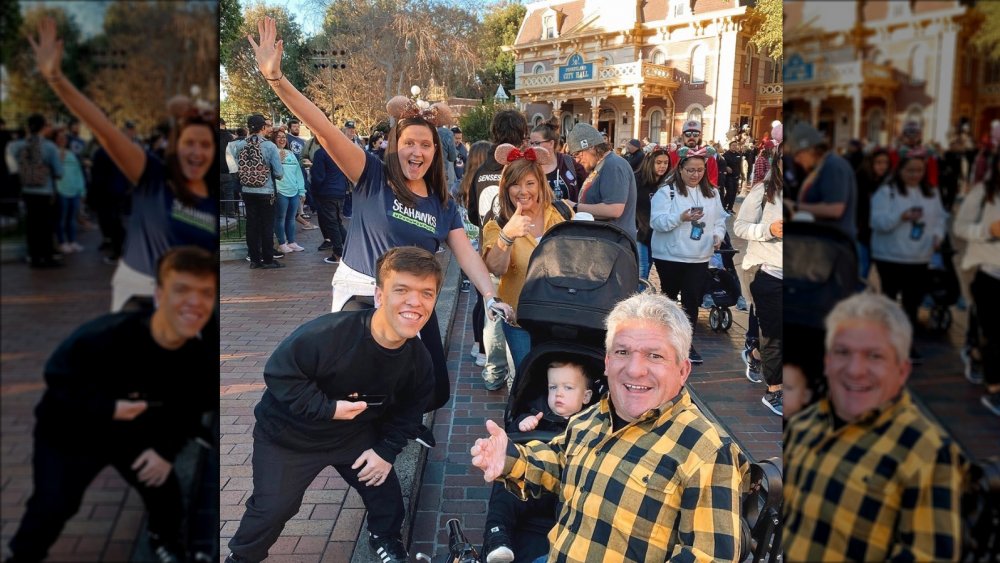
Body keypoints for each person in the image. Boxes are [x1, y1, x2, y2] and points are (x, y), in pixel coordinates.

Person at [248, 17, 513, 421]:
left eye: (425, 145)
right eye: (409, 142)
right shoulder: (371, 175)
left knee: (434, 388)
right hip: (364, 299)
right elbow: (322, 127)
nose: (417, 152)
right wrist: (277, 80)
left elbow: (466, 253)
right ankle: (362, 444)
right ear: (395, 145)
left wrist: (490, 295)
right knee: (363, 387)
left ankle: (399, 431)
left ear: (435, 152)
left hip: (410, 301)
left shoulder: (441, 202)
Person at [470, 292, 747, 562]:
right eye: (622, 352)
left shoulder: (706, 451)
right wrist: (510, 457)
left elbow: (708, 556)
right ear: (607, 362)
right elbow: (560, 463)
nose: (635, 369)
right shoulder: (592, 418)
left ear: (683, 370)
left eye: (654, 356)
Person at [225, 247, 442, 563]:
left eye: (426, 293)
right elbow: (279, 374)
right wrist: (328, 409)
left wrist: (385, 451)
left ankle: (385, 537)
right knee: (273, 507)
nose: (414, 301)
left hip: (351, 436)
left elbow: (410, 411)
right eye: (402, 290)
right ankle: (243, 557)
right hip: (289, 437)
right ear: (379, 296)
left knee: (386, 494)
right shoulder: (328, 334)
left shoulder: (418, 361)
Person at [7, 246, 218, 563]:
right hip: (72, 431)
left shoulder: (196, 357)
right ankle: (23, 557)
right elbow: (59, 382)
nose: (194, 302)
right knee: (53, 504)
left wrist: (164, 450)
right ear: (159, 295)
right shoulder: (104, 336)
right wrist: (109, 408)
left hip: (135, 433)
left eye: (206, 292)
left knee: (166, 492)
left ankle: (164, 540)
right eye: (182, 290)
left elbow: (190, 407)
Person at [29, 19, 218, 308]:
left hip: (193, 310)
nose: (196, 152)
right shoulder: (154, 176)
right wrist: (56, 78)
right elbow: (104, 129)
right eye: (188, 143)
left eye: (205, 145)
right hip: (142, 304)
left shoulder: (212, 195)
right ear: (175, 146)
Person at [784, 293, 966, 561]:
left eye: (874, 356)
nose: (856, 370)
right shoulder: (804, 425)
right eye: (843, 352)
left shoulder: (926, 450)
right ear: (827, 362)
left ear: (902, 370)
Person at [481, 360, 595, 563]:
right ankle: (497, 534)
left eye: (568, 388)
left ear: (586, 396)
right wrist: (522, 425)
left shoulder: (592, 425)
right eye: (553, 387)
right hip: (529, 490)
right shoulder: (537, 415)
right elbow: (515, 442)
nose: (559, 393)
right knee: (506, 487)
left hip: (562, 495)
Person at [481, 144, 572, 373]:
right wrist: (507, 236)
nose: (523, 191)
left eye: (530, 183)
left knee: (560, 381)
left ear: (540, 185)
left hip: (562, 319)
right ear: (505, 188)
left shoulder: (562, 213)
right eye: (515, 184)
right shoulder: (498, 225)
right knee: (525, 381)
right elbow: (496, 269)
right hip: (521, 322)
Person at [649, 146, 727, 364]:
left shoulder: (712, 193)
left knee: (692, 300)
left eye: (700, 170)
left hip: (699, 256)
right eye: (691, 170)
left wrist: (718, 235)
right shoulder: (668, 192)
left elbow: (720, 219)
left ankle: (685, 343)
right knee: (670, 299)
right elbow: (657, 222)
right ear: (680, 169)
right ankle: (665, 342)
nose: (696, 175)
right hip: (670, 256)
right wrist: (680, 217)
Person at [870, 153, 946, 344]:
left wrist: (938, 235)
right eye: (910, 170)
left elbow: (940, 218)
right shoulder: (888, 191)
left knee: (912, 302)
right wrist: (900, 216)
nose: (915, 175)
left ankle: (906, 343)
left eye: (919, 170)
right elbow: (877, 222)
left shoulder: (931, 192)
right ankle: (886, 341)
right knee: (889, 300)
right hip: (890, 255)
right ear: (900, 170)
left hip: (919, 256)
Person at [733, 149, 783, 416]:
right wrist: (769, 230)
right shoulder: (764, 192)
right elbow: (740, 227)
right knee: (774, 335)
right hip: (769, 272)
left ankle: (755, 355)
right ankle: (774, 390)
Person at [952, 154, 1000, 415]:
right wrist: (987, 231)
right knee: (994, 335)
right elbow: (960, 227)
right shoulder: (983, 192)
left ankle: (976, 354)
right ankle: (994, 389)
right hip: (988, 271)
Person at [5, 113, 63, 268]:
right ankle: (48, 257)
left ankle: (35, 257)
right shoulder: (50, 147)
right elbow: (59, 172)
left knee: (32, 225)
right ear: (43, 127)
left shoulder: (15, 146)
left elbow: (12, 168)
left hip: (27, 191)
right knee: (46, 225)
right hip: (45, 191)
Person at [229, 115, 284, 270]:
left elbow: (234, 169)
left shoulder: (239, 145)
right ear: (262, 128)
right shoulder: (269, 146)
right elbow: (279, 173)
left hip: (247, 190)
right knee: (267, 225)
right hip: (266, 191)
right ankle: (268, 259)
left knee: (251, 225)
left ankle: (254, 259)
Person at [565, 123, 637, 240]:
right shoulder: (602, 166)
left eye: (577, 154)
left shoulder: (613, 165)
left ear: (591, 147)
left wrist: (574, 207)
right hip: (605, 242)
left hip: (614, 244)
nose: (577, 160)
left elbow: (614, 209)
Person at [787, 121, 858, 238]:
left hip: (835, 244)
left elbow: (835, 209)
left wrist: (795, 207)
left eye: (798, 154)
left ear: (811, 150)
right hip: (826, 243)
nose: (796, 160)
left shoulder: (833, 166)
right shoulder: (821, 167)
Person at [634, 146, 671, 281]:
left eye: (665, 163)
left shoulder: (667, 183)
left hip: (659, 234)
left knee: (650, 267)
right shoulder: (637, 180)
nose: (662, 166)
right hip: (640, 233)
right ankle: (636, 300)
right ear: (650, 162)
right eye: (659, 162)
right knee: (642, 270)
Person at [855, 148, 892, 282]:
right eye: (879, 162)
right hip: (862, 233)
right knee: (862, 270)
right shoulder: (861, 180)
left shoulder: (888, 183)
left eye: (885, 163)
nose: (882, 166)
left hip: (880, 234)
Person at [310, 145, 350, 264]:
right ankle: (348, 248)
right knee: (336, 222)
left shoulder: (320, 153)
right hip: (339, 190)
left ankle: (338, 253)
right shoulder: (339, 152)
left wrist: (314, 192)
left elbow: (318, 177)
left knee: (332, 223)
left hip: (327, 192)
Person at [51, 127, 87, 254]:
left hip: (74, 192)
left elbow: (78, 173)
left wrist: (82, 190)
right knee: (60, 219)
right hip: (61, 191)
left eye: (64, 138)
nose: (63, 140)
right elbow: (53, 172)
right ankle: (62, 242)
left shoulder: (71, 154)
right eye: (60, 138)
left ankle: (72, 241)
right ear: (55, 140)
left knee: (71, 219)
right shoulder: (53, 152)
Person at [270, 129, 306, 254]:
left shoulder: (291, 154)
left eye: (284, 137)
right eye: (278, 137)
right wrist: (277, 160)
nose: (282, 139)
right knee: (280, 218)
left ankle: (291, 242)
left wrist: (302, 191)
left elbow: (298, 173)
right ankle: (281, 243)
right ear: (274, 139)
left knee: (291, 218)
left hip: (294, 191)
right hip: (280, 192)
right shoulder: (272, 153)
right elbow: (270, 172)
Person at [530, 120, 580, 202]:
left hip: (567, 213)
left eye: (537, 143)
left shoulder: (568, 162)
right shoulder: (528, 165)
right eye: (531, 143)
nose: (532, 147)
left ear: (551, 143)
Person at [669, 120, 719, 187]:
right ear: (682, 136)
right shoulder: (673, 155)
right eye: (688, 134)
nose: (692, 137)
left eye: (695, 134)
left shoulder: (708, 155)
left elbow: (712, 180)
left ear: (700, 136)